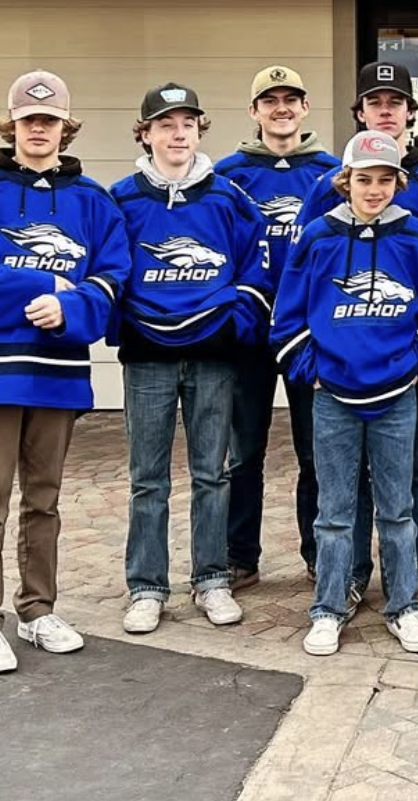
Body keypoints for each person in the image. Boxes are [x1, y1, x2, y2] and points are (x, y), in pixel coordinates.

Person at [0, 72, 130, 674]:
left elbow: (111, 283)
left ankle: (37, 609)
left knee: (43, 502)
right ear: (12, 126)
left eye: (49, 122)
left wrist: (71, 306)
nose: (38, 130)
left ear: (65, 129)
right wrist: (45, 284)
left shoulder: (94, 201)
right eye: (28, 121)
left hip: (58, 375)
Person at [271, 131, 418, 656]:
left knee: (397, 509)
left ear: (398, 183)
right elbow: (288, 317)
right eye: (363, 179)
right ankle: (328, 608)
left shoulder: (417, 236)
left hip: (398, 395)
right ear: (344, 181)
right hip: (333, 396)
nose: (374, 190)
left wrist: (417, 365)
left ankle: (405, 606)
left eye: (384, 180)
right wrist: (317, 372)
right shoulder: (317, 237)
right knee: (334, 510)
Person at [110, 82, 272, 636]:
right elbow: (107, 271)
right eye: (165, 124)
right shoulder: (122, 198)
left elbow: (257, 267)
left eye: (187, 124)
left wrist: (234, 322)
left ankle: (212, 579)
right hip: (147, 358)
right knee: (147, 479)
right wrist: (123, 326)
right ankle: (147, 588)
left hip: (213, 357)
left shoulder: (227, 196)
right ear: (146, 133)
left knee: (213, 474)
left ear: (200, 129)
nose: (177, 134)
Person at [299, 61, 418, 619]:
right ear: (360, 110)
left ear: (411, 110)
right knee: (337, 478)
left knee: (415, 469)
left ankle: (417, 576)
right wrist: (310, 362)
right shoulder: (324, 193)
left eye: (396, 101)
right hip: (338, 365)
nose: (386, 109)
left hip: (403, 360)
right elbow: (305, 277)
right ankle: (350, 577)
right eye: (375, 101)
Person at [214, 65, 339, 593]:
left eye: (291, 99)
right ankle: (239, 555)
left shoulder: (333, 171)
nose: (281, 108)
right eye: (270, 100)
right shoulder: (228, 173)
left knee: (316, 451)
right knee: (243, 451)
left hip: (310, 332)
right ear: (254, 111)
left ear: (306, 108)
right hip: (250, 333)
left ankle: (317, 554)